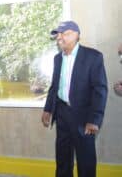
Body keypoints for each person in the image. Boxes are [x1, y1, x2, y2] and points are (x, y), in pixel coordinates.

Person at [41, 21, 108, 177]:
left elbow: (100, 90)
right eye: (58, 35)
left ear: (75, 35)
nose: (59, 38)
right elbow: (54, 86)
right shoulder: (58, 58)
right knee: (63, 159)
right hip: (62, 113)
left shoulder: (93, 57)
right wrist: (48, 109)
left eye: (63, 34)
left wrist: (95, 119)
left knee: (86, 161)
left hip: (84, 117)